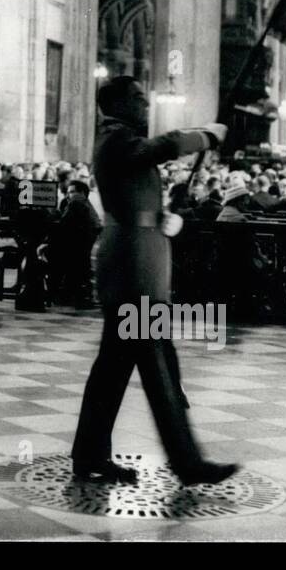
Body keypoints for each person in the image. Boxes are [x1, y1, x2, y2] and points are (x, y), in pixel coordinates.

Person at [70, 76, 238, 486]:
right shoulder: (115, 139)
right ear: (118, 103)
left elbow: (138, 195)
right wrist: (205, 137)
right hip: (133, 274)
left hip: (137, 265)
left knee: (112, 371)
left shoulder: (120, 141)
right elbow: (159, 148)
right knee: (159, 369)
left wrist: (162, 218)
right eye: (139, 99)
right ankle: (188, 463)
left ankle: (90, 454)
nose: (147, 106)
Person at [38, 178, 101, 308]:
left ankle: (40, 291)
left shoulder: (76, 205)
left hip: (70, 253)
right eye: (68, 192)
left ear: (82, 193)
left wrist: (50, 217)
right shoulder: (86, 205)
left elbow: (62, 227)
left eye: (72, 192)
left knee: (35, 250)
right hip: (78, 251)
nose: (68, 195)